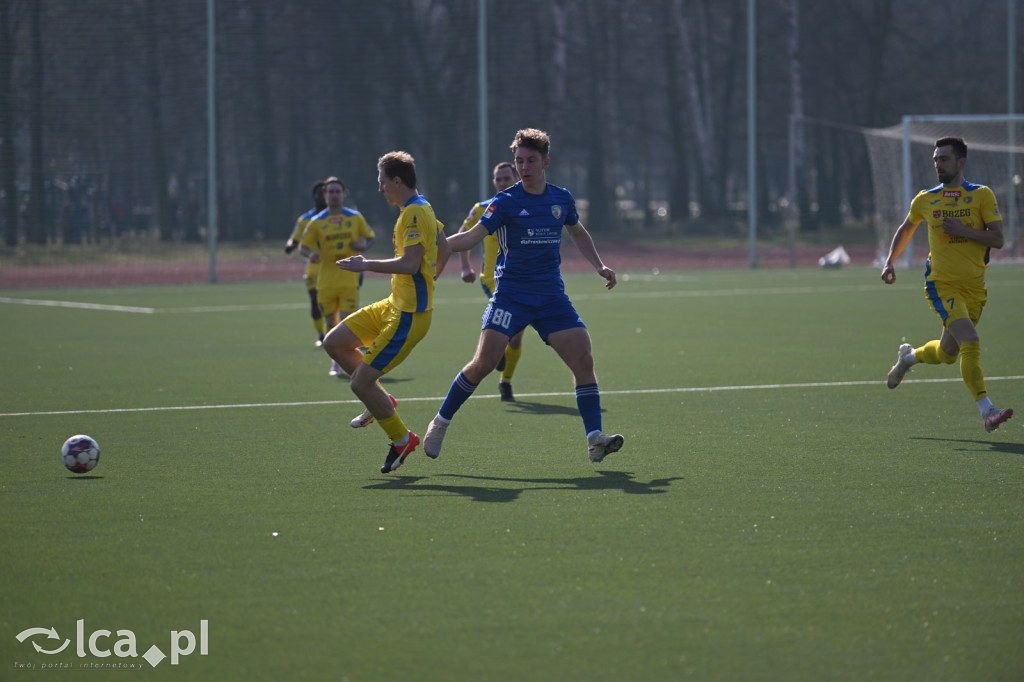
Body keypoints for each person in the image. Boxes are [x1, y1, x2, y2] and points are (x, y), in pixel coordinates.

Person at [424, 128, 623, 463]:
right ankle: (440, 422)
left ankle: (594, 439)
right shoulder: (505, 202)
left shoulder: (561, 198)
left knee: (583, 360)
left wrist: (600, 265)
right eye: (519, 161)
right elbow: (470, 238)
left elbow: (577, 231)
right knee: (484, 364)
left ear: (545, 161)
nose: (524, 167)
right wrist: (436, 246)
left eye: (530, 160)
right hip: (511, 296)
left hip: (551, 297)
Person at [324, 152, 449, 473]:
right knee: (334, 343)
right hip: (394, 304)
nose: (380, 189)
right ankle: (381, 399)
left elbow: (409, 263)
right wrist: (432, 274)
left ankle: (401, 439)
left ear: (396, 181)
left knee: (359, 385)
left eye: (382, 182)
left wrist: (365, 263)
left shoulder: (414, 214)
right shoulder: (416, 209)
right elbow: (444, 243)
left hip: (409, 316)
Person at [882, 136, 1013, 432]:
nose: (938, 165)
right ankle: (987, 410)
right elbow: (906, 229)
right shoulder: (926, 199)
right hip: (941, 285)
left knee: (947, 353)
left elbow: (998, 239)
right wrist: (890, 260)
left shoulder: (981, 195)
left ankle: (908, 358)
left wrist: (965, 231)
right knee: (971, 342)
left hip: (975, 288)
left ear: (961, 162)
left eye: (944, 159)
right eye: (935, 160)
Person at [457, 161, 524, 401]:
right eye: (499, 179)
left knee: (516, 338)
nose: (503, 182)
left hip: (523, 280)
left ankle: (505, 380)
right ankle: (499, 346)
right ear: (494, 182)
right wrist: (465, 267)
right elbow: (464, 236)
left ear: (516, 179)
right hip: (494, 280)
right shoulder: (482, 209)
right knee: (511, 330)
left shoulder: (526, 205)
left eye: (507, 178)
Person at [300, 177, 375, 377]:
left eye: (337, 191)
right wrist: (311, 254)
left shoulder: (355, 218)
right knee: (330, 323)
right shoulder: (317, 222)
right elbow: (303, 246)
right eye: (330, 192)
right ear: (325, 196)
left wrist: (363, 247)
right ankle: (336, 361)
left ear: (343, 194)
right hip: (325, 281)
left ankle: (347, 363)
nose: (334, 195)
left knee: (346, 322)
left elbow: (370, 237)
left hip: (349, 278)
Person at [285, 180, 328, 347]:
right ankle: (321, 335)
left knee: (335, 301)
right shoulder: (305, 219)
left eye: (325, 193)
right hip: (313, 266)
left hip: (334, 265)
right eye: (319, 193)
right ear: (314, 196)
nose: (322, 196)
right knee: (315, 301)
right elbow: (295, 238)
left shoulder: (337, 217)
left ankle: (339, 333)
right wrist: (290, 245)